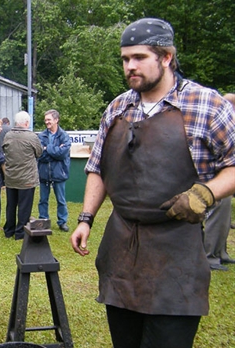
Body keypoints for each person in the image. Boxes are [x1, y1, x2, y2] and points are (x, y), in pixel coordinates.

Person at [69, 18, 235, 348]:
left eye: (139, 58)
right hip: (121, 252)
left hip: (176, 257)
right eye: (125, 59)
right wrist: (86, 218)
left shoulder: (206, 105)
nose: (130, 66)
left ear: (166, 57)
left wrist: (205, 193)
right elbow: (97, 167)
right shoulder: (118, 108)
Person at [203, 92, 235, 271]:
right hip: (213, 177)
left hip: (225, 176)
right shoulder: (217, 120)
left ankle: (221, 253)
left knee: (224, 213)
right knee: (217, 212)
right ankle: (210, 256)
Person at [2, 111, 43, 240]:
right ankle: (20, 232)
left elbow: (4, 150)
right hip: (27, 178)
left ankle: (9, 230)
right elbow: (39, 152)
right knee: (24, 206)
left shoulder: (8, 135)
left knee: (11, 204)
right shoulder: (32, 137)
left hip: (11, 176)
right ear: (26, 123)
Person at [37, 109, 71, 232]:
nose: (47, 122)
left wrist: (48, 148)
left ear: (56, 120)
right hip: (44, 172)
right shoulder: (41, 136)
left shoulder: (64, 136)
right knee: (43, 200)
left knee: (61, 200)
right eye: (45, 120)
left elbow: (62, 154)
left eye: (49, 120)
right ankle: (43, 220)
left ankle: (62, 222)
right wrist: (54, 150)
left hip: (59, 172)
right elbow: (40, 154)